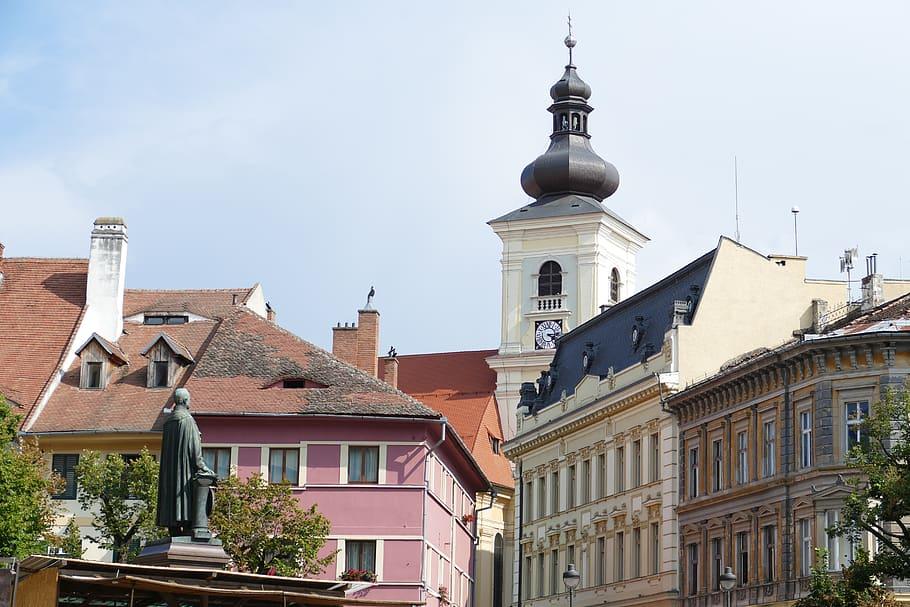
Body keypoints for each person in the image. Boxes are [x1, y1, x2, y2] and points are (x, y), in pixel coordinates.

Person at [156, 388, 216, 537]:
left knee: (172, 502)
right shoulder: (187, 420)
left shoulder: (168, 422)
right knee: (187, 502)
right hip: (184, 474)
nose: (190, 401)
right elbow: (194, 450)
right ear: (184, 400)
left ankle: (174, 527)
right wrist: (203, 468)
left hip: (169, 475)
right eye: (189, 399)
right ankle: (188, 524)